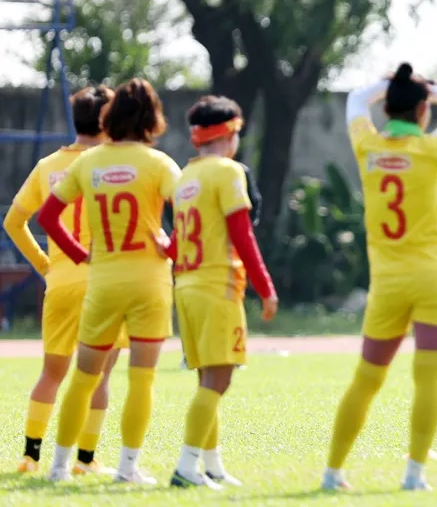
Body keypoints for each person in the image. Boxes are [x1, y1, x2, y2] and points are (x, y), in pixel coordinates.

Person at [321, 63, 437, 492]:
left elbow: (356, 99)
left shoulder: (367, 146)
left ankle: (332, 472)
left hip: (388, 283)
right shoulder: (432, 148)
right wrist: (431, 88)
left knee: (367, 377)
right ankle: (414, 476)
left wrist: (388, 85)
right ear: (423, 111)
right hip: (434, 277)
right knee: (429, 377)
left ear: (389, 107)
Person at [36, 78, 182, 483]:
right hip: (149, 282)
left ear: (110, 116)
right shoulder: (160, 164)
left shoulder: (88, 162)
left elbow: (47, 217)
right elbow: (191, 214)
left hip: (103, 281)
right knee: (141, 378)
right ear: (153, 118)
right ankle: (128, 468)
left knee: (84, 377)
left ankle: (59, 466)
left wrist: (80, 253)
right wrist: (170, 247)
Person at [4, 86, 129, 476]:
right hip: (104, 281)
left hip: (60, 281)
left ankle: (30, 455)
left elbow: (13, 222)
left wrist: (45, 265)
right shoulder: (114, 165)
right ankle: (85, 460)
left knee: (52, 372)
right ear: (108, 121)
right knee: (100, 374)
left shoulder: (47, 166)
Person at [160, 95, 278, 490]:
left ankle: (212, 465)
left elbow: (176, 242)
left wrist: (161, 247)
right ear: (229, 133)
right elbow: (242, 236)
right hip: (216, 285)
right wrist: (265, 287)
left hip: (186, 285)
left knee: (207, 379)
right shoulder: (228, 172)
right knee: (219, 380)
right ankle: (186, 466)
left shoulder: (184, 177)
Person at [178, 160, 260, 372]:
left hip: (189, 267)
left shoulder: (189, 174)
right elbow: (253, 209)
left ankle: (196, 354)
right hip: (218, 261)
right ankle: (225, 355)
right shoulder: (234, 171)